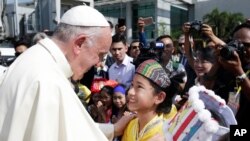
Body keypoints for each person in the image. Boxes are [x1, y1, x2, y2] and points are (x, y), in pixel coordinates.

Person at [0, 5, 133, 141]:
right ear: (79, 44)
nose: (99, 63)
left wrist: (113, 129)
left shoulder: (32, 59)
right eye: (100, 54)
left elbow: (70, 128)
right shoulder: (48, 80)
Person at [122, 59, 181, 141]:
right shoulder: (131, 125)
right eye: (132, 85)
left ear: (159, 97)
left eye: (139, 87)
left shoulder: (164, 134)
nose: (130, 92)